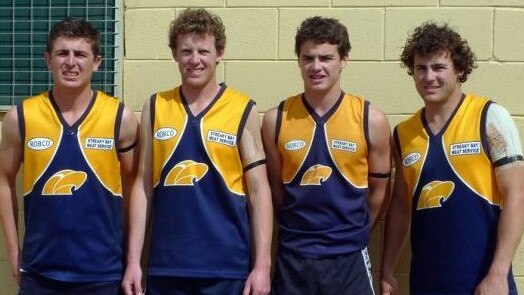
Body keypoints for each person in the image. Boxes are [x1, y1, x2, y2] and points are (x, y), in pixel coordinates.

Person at [121, 8, 273, 295]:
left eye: (203, 51)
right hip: (167, 265)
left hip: (227, 266)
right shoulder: (155, 107)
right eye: (186, 51)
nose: (194, 60)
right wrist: (133, 261)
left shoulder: (242, 109)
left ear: (220, 53)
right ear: (174, 54)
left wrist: (262, 266)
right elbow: (142, 187)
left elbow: (258, 192)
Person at [380, 22, 524, 295]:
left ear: (459, 69)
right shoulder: (404, 133)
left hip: (483, 282)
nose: (428, 76)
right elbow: (399, 207)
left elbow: (518, 195)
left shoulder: (490, 117)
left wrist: (498, 273)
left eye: (438, 67)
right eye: (421, 68)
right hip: (426, 281)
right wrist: (387, 269)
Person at [0, 17, 139, 294]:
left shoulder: (119, 117)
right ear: (48, 59)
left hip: (103, 273)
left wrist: (132, 257)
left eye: (80, 54)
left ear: (97, 62)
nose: (71, 62)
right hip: (40, 272)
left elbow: (135, 186)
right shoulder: (22, 117)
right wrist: (14, 252)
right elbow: (4, 180)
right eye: (62, 53)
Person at [262, 16, 391, 295]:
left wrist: (351, 234)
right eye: (308, 58)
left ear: (344, 59)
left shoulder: (371, 120)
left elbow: (379, 191)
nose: (316, 67)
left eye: (326, 58)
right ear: (298, 61)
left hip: (349, 257)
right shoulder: (276, 120)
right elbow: (276, 188)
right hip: (293, 255)